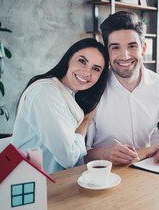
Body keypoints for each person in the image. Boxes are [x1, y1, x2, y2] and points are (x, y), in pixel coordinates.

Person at [85, 11, 159, 166]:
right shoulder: (92, 87)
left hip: (143, 167)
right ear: (107, 52)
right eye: (115, 47)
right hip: (100, 171)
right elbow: (76, 154)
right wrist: (103, 153)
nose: (124, 55)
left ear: (143, 48)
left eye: (132, 46)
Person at [12, 38, 109, 174]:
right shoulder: (46, 92)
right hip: (30, 184)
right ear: (69, 59)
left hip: (58, 181)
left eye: (96, 69)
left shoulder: (71, 98)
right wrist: (86, 121)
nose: (87, 72)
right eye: (82, 61)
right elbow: (68, 158)